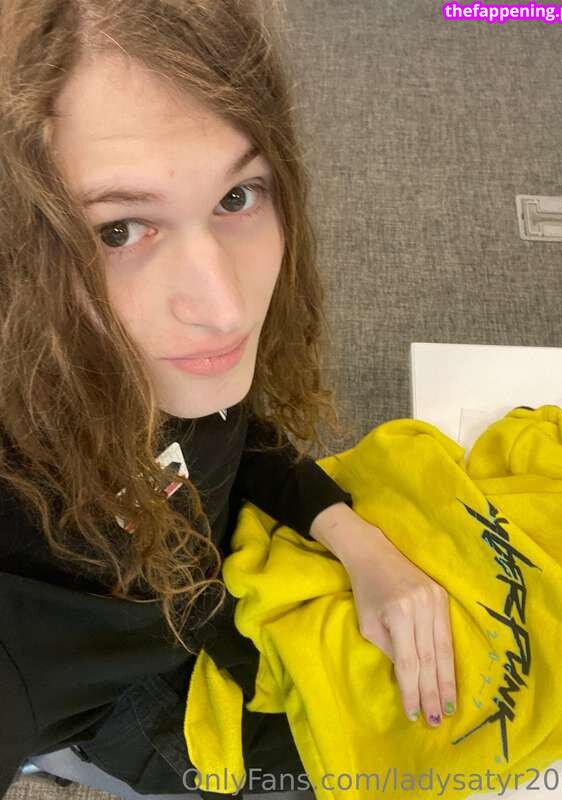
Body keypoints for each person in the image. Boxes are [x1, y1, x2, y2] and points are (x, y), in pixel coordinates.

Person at [0, 1, 458, 797]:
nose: (226, 309)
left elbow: (224, 439)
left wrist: (357, 541)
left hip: (210, 597)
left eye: (237, 197)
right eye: (118, 231)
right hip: (124, 705)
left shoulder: (165, 357)